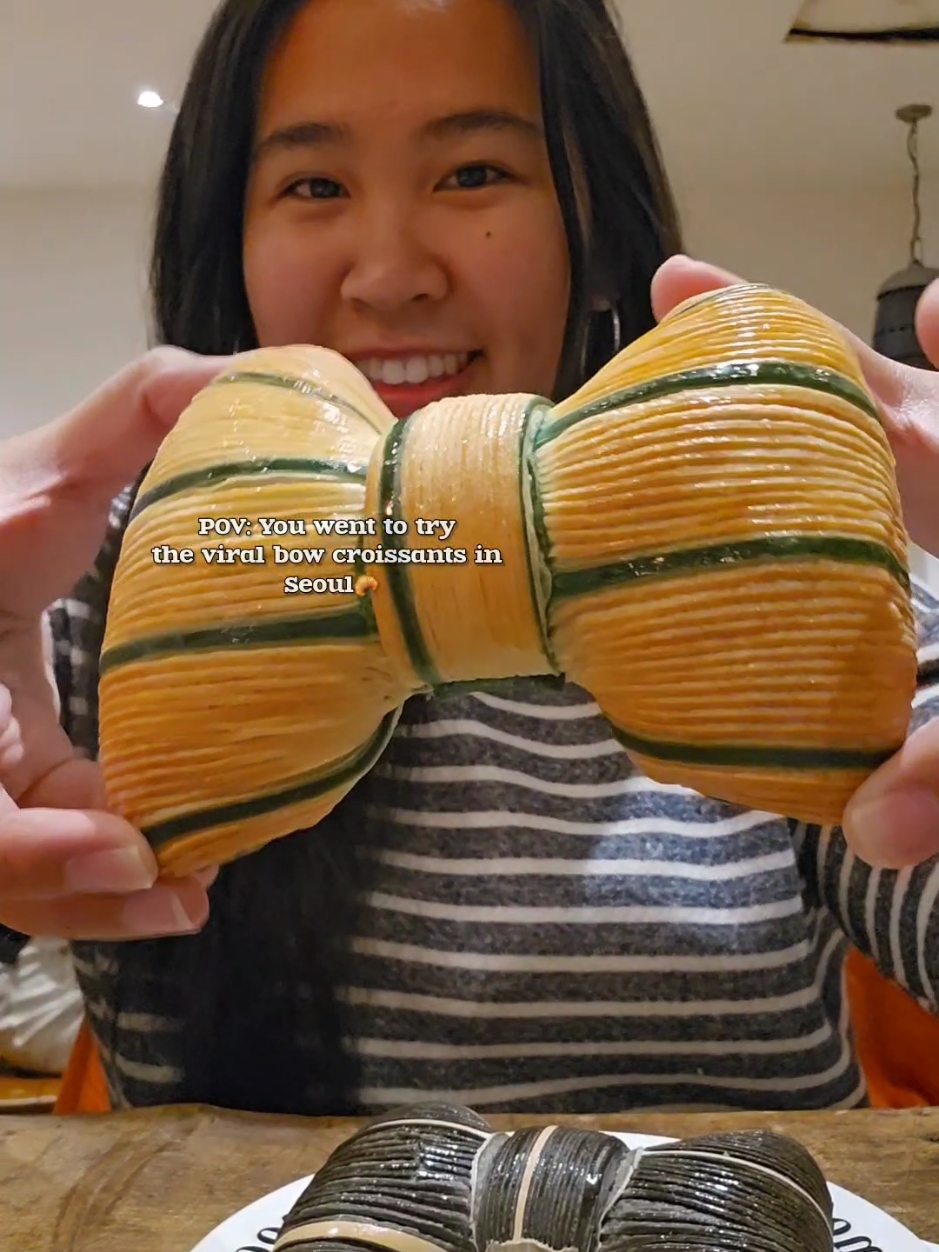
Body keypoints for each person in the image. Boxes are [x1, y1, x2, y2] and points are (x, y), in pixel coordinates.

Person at [2, 0, 939, 1117]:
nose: (391, 275)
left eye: (474, 172)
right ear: (232, 245)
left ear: (596, 233)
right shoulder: (94, 603)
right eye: (313, 186)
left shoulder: (775, 578)